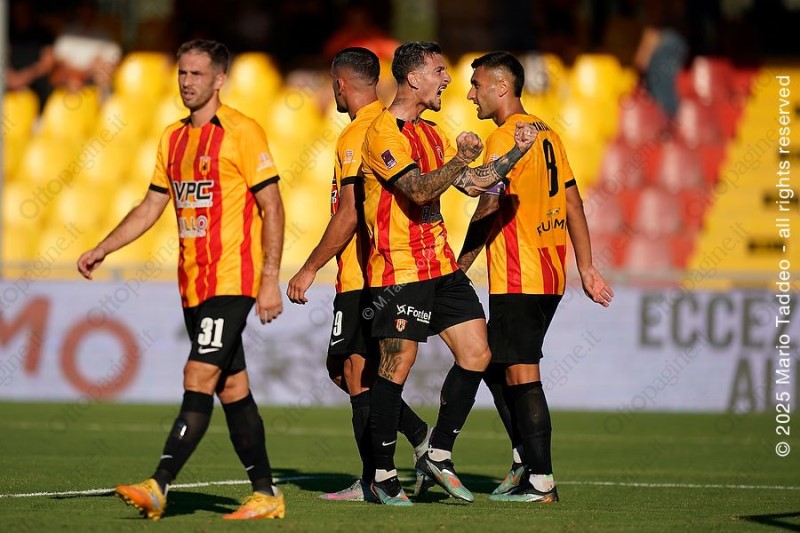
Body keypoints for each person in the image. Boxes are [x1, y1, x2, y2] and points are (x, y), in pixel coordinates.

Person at [76, 39, 286, 521]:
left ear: (219, 80)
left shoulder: (242, 131)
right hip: (192, 285)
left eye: (197, 74)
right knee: (232, 390)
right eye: (182, 73)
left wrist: (270, 278)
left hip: (231, 280)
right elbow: (151, 204)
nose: (187, 82)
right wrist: (104, 247)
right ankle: (266, 494)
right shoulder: (172, 138)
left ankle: (159, 484)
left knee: (197, 376)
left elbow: (271, 206)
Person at [359, 41, 540, 505]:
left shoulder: (434, 132)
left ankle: (436, 452)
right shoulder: (383, 134)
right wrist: (460, 159)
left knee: (478, 353)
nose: (447, 80)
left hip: (440, 265)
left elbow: (474, 183)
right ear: (413, 78)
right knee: (396, 365)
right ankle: (381, 475)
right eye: (439, 71)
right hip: (400, 269)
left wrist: (515, 152)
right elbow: (419, 190)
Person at [458, 51, 613, 503]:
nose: (470, 94)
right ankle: (524, 459)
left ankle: (541, 480)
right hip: (550, 275)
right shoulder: (549, 134)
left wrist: (460, 262)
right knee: (492, 366)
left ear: (501, 87)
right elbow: (573, 202)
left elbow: (487, 204)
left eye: (477, 85)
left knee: (523, 373)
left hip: (519, 274)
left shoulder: (506, 137)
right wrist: (586, 266)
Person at [286, 47, 430, 502]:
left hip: (363, 275)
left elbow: (349, 212)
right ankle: (415, 439)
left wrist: (309, 268)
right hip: (379, 272)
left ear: (339, 84)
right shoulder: (389, 125)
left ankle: (376, 480)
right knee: (347, 371)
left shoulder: (357, 133)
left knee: (354, 373)